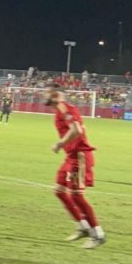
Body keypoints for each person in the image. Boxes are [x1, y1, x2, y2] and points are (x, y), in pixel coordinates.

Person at [46, 89, 105, 249]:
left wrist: (60, 143)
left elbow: (76, 130)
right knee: (59, 190)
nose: (44, 95)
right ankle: (83, 226)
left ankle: (97, 234)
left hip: (80, 155)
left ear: (56, 95)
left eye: (47, 92)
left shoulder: (64, 108)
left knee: (77, 196)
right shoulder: (60, 110)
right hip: (71, 156)